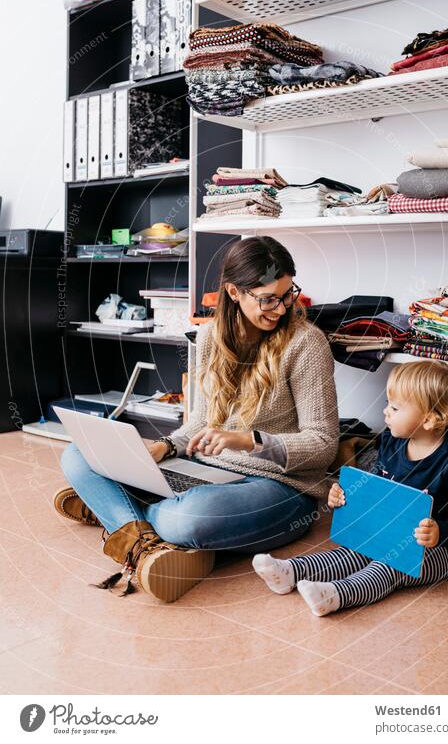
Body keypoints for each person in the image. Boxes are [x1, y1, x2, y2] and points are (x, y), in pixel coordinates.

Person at [54, 237, 339, 602]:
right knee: (78, 455)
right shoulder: (208, 337)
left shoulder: (307, 344)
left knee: (188, 519)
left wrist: (250, 440)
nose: (282, 309)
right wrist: (167, 445)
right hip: (204, 470)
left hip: (280, 486)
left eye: (288, 294)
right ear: (234, 292)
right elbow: (199, 423)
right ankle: (146, 539)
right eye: (268, 298)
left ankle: (119, 518)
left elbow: (323, 445)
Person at [253, 360, 448, 616]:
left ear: (428, 420)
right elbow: (376, 488)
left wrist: (441, 532)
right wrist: (345, 495)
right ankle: (291, 571)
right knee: (354, 551)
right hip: (388, 533)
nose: (385, 412)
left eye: (394, 407)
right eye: (387, 404)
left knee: (389, 564)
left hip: (438, 551)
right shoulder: (391, 444)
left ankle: (338, 594)